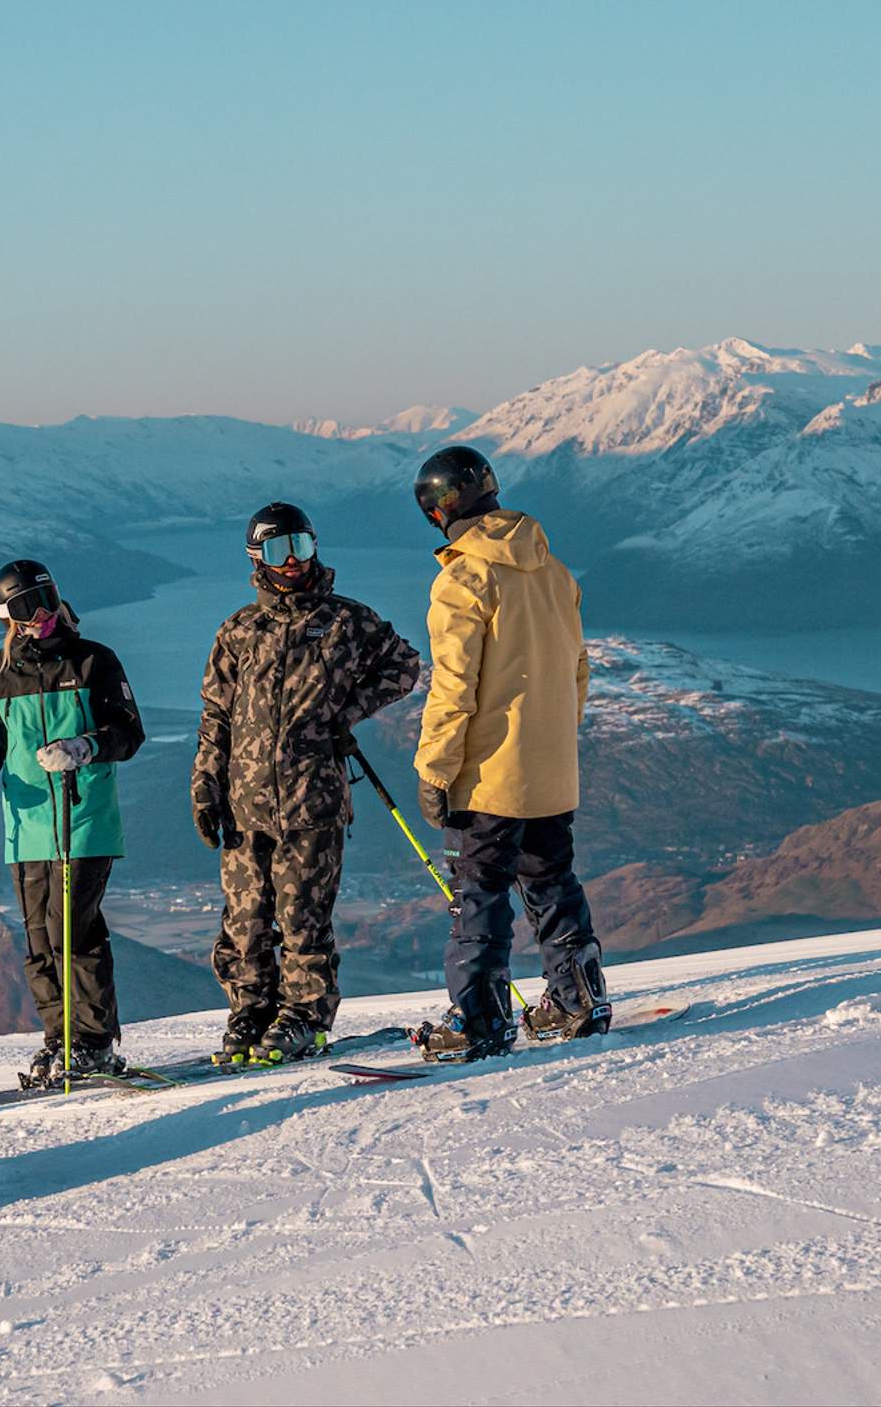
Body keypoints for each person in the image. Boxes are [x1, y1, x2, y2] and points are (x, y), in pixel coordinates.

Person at [192, 502, 422, 1065]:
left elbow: (404, 666)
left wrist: (345, 711)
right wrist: (205, 785)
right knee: (245, 920)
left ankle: (304, 1017)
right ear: (257, 558)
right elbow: (215, 715)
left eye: (301, 545)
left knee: (302, 917)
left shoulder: (346, 621)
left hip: (312, 799)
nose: (292, 560)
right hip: (244, 805)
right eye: (277, 549)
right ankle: (251, 1009)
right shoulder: (240, 631)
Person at [409, 445, 609, 1061]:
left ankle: (479, 1020)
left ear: (440, 511)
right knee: (552, 879)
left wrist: (434, 769)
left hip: (491, 772)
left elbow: (453, 687)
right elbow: (578, 668)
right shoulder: (553, 570)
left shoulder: (464, 579)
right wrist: (551, 738)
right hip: (550, 767)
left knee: (480, 890)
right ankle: (578, 1000)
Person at [0, 560, 145, 1084]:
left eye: (47, 599)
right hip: (27, 827)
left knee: (73, 929)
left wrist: (85, 747)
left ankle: (91, 1041)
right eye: (25, 607)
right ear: (7, 617)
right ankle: (57, 1039)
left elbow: (128, 733)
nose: (40, 614)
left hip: (84, 816)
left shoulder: (94, 661)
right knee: (40, 938)